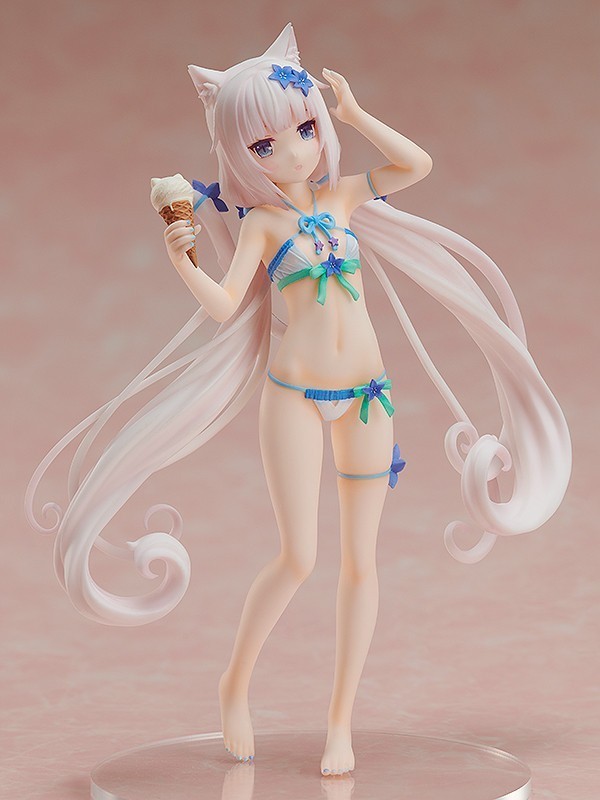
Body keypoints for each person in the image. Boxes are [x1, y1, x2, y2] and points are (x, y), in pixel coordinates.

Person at [25, 23, 571, 777]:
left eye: (304, 129)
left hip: (369, 397)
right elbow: (227, 307)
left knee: (361, 564)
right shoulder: (262, 224)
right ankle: (234, 685)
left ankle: (340, 722)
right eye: (264, 145)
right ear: (239, 155)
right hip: (295, 397)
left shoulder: (342, 198)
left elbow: (416, 165)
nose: (291, 152)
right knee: (298, 556)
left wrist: (354, 113)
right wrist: (183, 260)